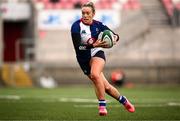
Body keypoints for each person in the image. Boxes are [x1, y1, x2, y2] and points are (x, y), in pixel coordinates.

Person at [71, 1, 135, 116]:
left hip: (97, 53)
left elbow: (114, 35)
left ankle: (102, 106)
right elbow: (78, 47)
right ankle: (124, 100)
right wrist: (93, 44)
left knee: (95, 74)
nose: (85, 15)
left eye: (87, 13)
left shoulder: (98, 25)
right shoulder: (76, 26)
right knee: (106, 87)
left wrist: (114, 38)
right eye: (83, 13)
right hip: (83, 58)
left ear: (93, 14)